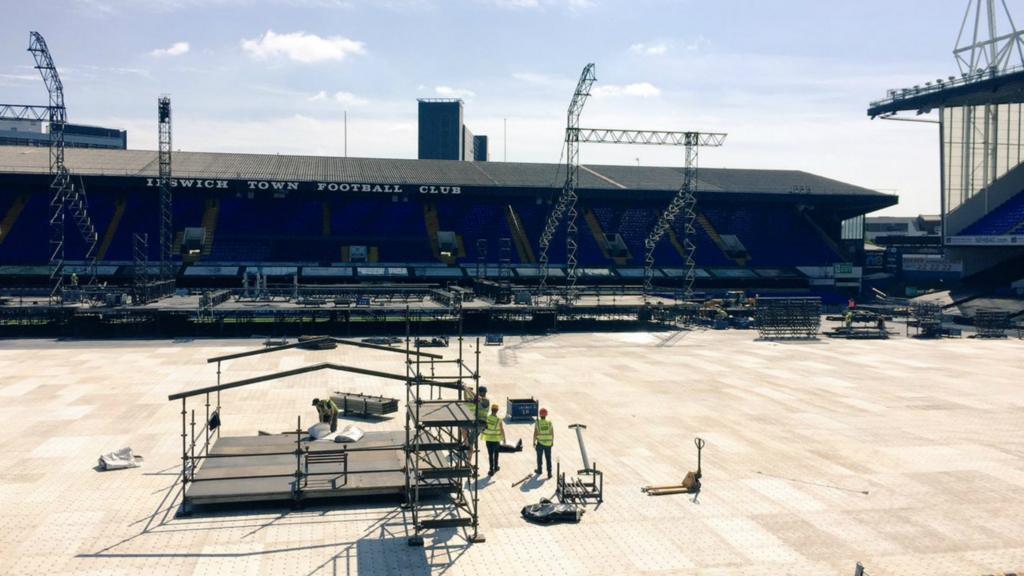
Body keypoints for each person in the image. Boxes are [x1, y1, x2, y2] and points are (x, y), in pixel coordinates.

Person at [482, 403, 505, 476]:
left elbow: (484, 427)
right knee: (496, 454)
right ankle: (496, 467)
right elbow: (502, 430)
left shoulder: (487, 418)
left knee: (490, 455)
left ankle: (491, 470)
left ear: (491, 410)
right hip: (496, 440)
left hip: (488, 440)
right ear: (497, 410)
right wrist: (504, 438)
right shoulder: (499, 420)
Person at [533, 407, 554, 478]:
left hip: (540, 443)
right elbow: (552, 433)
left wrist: (533, 442)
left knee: (539, 457)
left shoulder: (537, 423)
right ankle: (549, 473)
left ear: (540, 415)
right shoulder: (549, 423)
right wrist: (552, 441)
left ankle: (539, 470)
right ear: (546, 415)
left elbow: (535, 433)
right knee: (548, 458)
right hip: (548, 443)